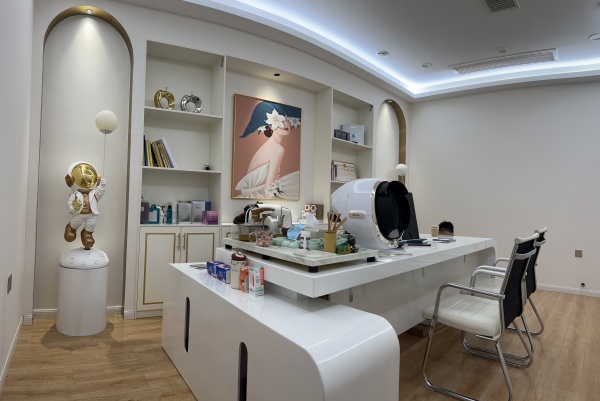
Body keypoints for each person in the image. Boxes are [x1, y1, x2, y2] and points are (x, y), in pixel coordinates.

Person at [235, 101, 301, 199]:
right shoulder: (277, 149)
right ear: (270, 126)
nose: (286, 124)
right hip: (258, 197)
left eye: (288, 120)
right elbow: (268, 190)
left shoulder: (268, 145)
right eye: (281, 120)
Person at [64, 161, 106, 249]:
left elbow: (101, 189)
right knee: (74, 225)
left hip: (92, 215)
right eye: (82, 180)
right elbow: (70, 204)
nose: (86, 182)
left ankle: (87, 234)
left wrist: (101, 180)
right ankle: (70, 228)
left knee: (90, 226)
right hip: (79, 214)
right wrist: (73, 208)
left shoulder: (95, 194)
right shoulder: (75, 195)